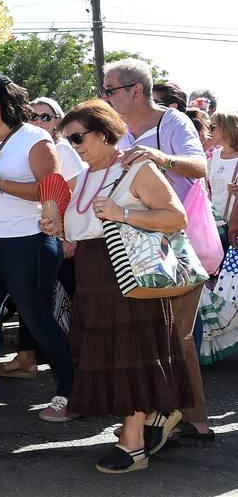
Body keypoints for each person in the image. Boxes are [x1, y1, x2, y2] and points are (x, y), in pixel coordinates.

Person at [49, 100, 192, 472]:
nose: (73, 144)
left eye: (78, 136)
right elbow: (84, 229)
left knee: (129, 354)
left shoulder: (135, 169)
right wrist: (59, 228)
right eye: (68, 138)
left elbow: (177, 217)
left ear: (104, 133)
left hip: (127, 272)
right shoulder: (81, 178)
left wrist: (122, 213)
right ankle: (150, 418)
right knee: (110, 354)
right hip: (94, 273)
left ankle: (134, 445)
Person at [102, 59, 212, 442]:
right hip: (134, 243)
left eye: (109, 90)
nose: (105, 97)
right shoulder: (116, 129)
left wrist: (159, 158)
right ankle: (156, 415)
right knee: (155, 336)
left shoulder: (173, 122)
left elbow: (199, 166)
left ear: (135, 90)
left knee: (177, 334)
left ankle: (192, 419)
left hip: (176, 243)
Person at [0, 75, 75, 421]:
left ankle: (72, 391)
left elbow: (51, 190)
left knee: (37, 318)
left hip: (28, 240)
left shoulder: (36, 138)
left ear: (1, 102)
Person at [0, 96, 87, 380]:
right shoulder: (27, 148)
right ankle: (27, 358)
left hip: (63, 236)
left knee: (75, 297)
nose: (37, 121)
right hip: (38, 233)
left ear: (57, 121)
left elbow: (73, 193)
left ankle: (85, 367)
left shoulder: (62, 149)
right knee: (33, 297)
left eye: (45, 117)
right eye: (32, 116)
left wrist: (67, 236)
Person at [209, 113, 238, 249]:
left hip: (234, 225)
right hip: (214, 223)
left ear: (226, 128)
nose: (209, 131)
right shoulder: (214, 156)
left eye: (213, 127)